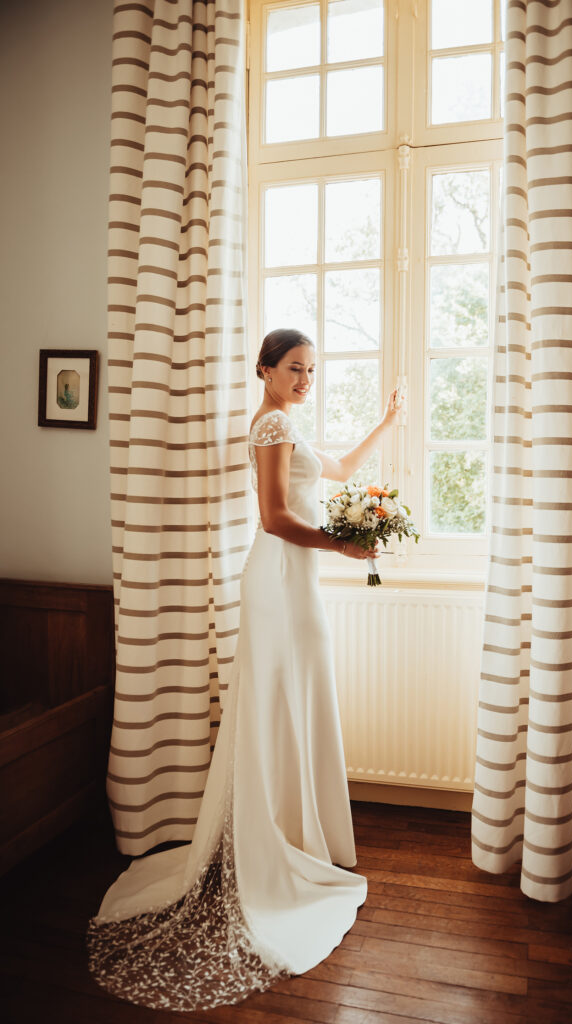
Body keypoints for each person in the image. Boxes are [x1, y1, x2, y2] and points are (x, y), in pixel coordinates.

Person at [86, 327, 404, 1011]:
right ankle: (275, 840)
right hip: (279, 577)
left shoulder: (289, 423)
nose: (305, 379)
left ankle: (296, 831)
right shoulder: (271, 425)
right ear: (265, 369)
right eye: (294, 368)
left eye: (311, 370)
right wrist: (343, 546)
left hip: (295, 580)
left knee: (298, 696)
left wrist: (386, 423)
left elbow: (340, 471)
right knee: (276, 700)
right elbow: (275, 517)